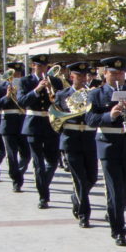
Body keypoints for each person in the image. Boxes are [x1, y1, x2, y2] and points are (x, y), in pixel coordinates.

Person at [86, 57, 126, 247]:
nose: (117, 76)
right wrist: (110, 115)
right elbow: (90, 119)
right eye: (113, 73)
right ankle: (119, 230)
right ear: (105, 74)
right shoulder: (96, 94)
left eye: (120, 73)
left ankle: (113, 211)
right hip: (108, 144)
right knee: (115, 189)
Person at [53, 62, 98, 229]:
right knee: (79, 179)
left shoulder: (93, 94)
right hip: (70, 139)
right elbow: (55, 117)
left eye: (84, 75)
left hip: (89, 138)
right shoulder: (62, 94)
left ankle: (76, 197)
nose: (82, 79)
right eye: (78, 76)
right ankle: (84, 215)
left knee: (91, 178)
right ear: (71, 77)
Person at [18, 55, 64, 209]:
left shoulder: (55, 81)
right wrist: (37, 90)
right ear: (33, 66)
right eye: (39, 66)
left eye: (45, 66)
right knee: (39, 164)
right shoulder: (25, 81)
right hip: (33, 125)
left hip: (52, 124)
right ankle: (43, 196)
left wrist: (55, 96)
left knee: (53, 161)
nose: (43, 69)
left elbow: (64, 102)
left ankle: (43, 183)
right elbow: (22, 102)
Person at [0, 64, 30, 193]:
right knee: (11, 155)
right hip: (8, 124)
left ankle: (18, 172)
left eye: (18, 74)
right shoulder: (0, 87)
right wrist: (6, 97)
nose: (16, 77)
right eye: (13, 74)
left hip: (23, 122)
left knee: (26, 154)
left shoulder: (25, 86)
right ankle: (16, 181)